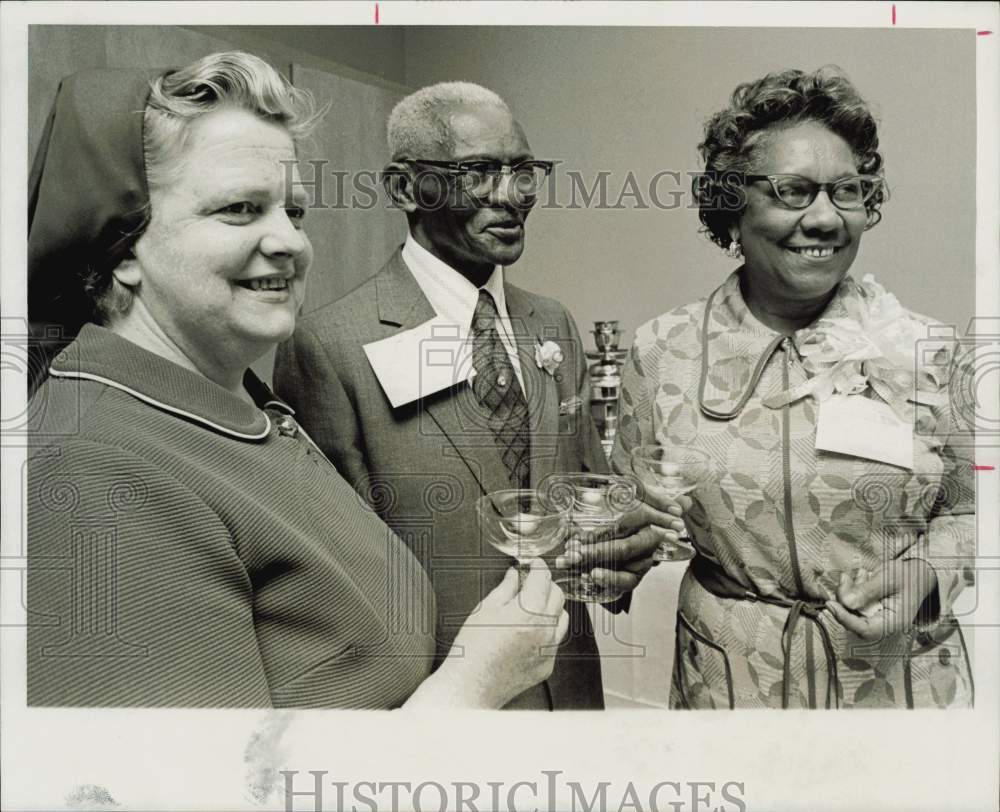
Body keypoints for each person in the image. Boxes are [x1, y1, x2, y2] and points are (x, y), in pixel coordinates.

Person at [26, 52, 568, 709]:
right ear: (125, 246)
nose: (289, 241)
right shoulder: (91, 466)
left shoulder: (248, 410)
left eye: (295, 212)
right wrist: (473, 684)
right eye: (240, 209)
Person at [274, 82, 684, 709]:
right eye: (480, 172)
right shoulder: (329, 347)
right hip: (442, 706)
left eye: (524, 171)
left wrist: (621, 553)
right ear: (406, 189)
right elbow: (332, 588)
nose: (513, 195)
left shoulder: (552, 325)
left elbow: (590, 498)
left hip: (571, 696)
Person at [612, 67, 975, 709]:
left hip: (897, 686)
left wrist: (927, 571)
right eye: (793, 192)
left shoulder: (930, 349)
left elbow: (978, 511)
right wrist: (614, 547)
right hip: (730, 685)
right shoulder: (661, 352)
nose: (826, 219)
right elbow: (627, 516)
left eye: (848, 192)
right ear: (733, 204)